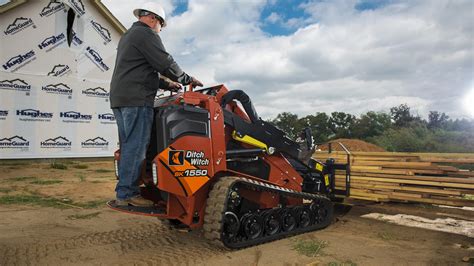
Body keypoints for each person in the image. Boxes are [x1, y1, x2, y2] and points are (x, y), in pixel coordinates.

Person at [110, 4, 203, 207]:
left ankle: (125, 190)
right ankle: (127, 195)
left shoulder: (129, 36)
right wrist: (187, 79)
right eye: (162, 25)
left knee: (128, 147)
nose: (161, 29)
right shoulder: (147, 34)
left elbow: (140, 69)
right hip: (136, 100)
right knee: (136, 147)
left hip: (121, 98)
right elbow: (164, 62)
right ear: (153, 19)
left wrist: (166, 83)